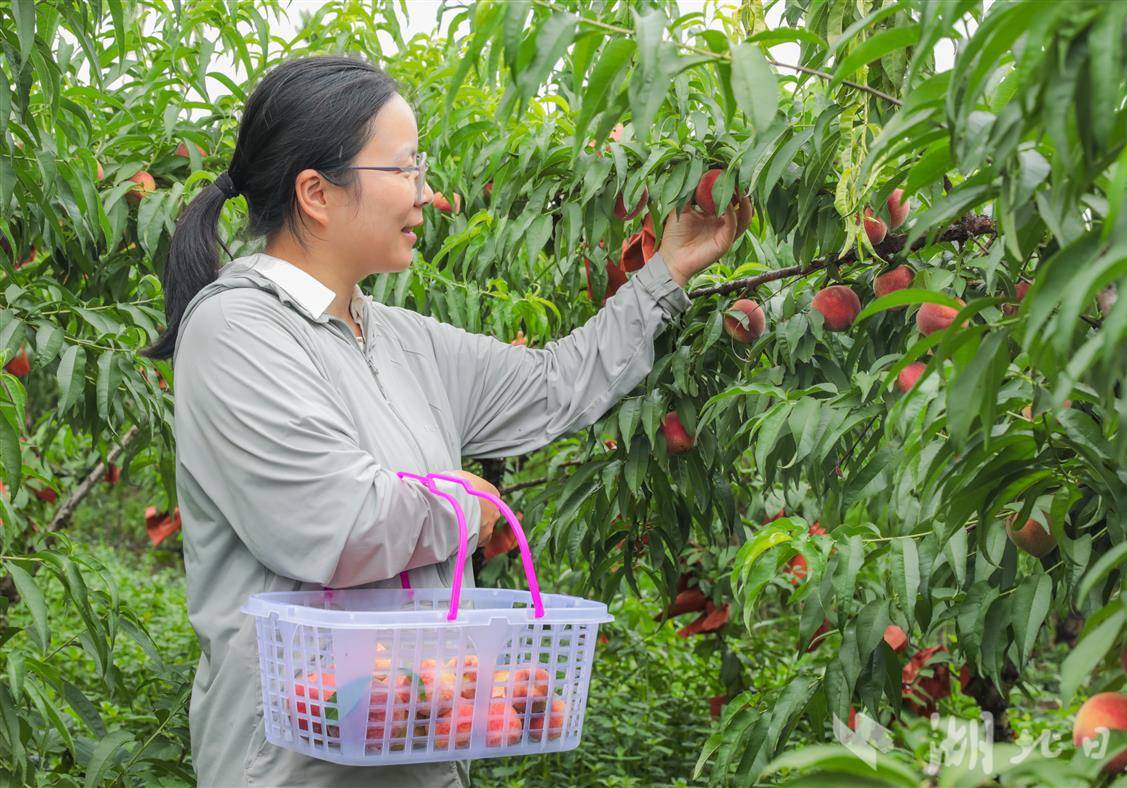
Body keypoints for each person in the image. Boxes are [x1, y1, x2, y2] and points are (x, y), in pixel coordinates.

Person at [145, 54, 744, 787]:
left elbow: (553, 384)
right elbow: (340, 526)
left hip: (419, 759)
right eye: (404, 169)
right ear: (316, 193)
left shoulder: (400, 338)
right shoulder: (236, 331)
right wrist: (470, 502)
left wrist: (667, 273)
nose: (425, 193)